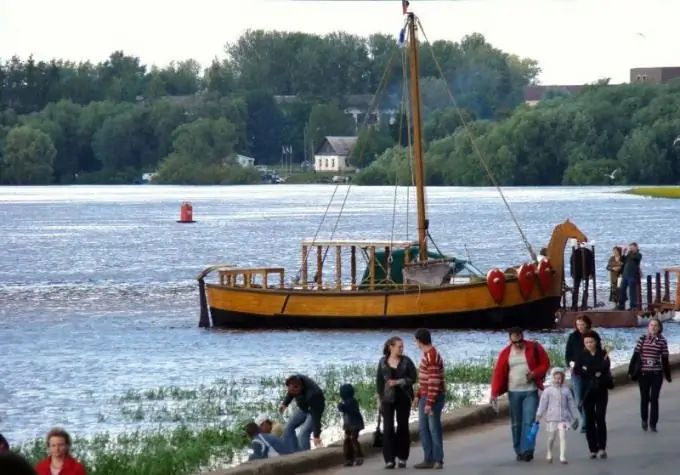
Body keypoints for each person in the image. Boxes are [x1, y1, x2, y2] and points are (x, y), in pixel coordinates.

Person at [490, 327, 550, 462]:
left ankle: (528, 449)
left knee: (529, 421)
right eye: (514, 342)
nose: (517, 344)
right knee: (516, 423)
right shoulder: (506, 353)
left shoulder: (534, 347)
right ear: (510, 340)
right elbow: (498, 373)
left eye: (519, 341)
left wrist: (535, 373)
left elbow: (545, 363)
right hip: (513, 391)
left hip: (530, 390)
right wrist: (494, 393)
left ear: (523, 337)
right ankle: (518, 450)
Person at [375, 336, 418, 469]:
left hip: (403, 397)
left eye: (402, 346)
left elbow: (413, 378)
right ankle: (389, 459)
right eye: (399, 346)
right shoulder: (382, 362)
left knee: (402, 426)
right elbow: (379, 382)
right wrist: (378, 399)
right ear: (391, 347)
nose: (401, 349)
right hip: (387, 399)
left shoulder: (406, 361)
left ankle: (402, 457)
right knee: (387, 428)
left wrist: (399, 382)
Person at [627, 318, 672, 432]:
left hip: (656, 373)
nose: (653, 327)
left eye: (656, 325)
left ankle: (653, 424)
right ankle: (644, 419)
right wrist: (630, 370)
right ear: (648, 327)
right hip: (643, 373)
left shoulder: (662, 341)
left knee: (654, 398)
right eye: (651, 325)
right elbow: (635, 355)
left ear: (659, 328)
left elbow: (665, 359)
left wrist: (667, 375)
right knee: (645, 398)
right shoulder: (642, 339)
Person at [574, 331, 611, 459]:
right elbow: (577, 370)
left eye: (591, 341)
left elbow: (605, 368)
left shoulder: (603, 353)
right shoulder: (581, 355)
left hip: (601, 389)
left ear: (596, 341)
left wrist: (588, 370)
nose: (589, 344)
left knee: (600, 418)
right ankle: (593, 449)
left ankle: (602, 448)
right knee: (589, 420)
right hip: (587, 390)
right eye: (587, 342)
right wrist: (591, 372)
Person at [413, 328, 446, 470]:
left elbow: (434, 381)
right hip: (425, 395)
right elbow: (425, 380)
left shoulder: (432, 356)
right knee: (424, 428)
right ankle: (429, 458)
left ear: (419, 341)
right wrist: (418, 395)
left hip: (433, 396)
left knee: (433, 428)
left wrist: (429, 402)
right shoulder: (427, 355)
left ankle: (437, 459)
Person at [564, 315, 602, 433]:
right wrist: (570, 364)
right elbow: (568, 353)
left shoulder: (593, 336)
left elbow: (599, 352)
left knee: (588, 398)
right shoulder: (572, 337)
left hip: (590, 372)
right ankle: (587, 420)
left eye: (582, 324)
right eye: (578, 324)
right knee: (578, 400)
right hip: (576, 372)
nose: (580, 327)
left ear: (587, 324)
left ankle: (586, 424)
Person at [535, 367, 579, 464]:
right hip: (551, 418)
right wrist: (539, 414)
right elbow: (542, 404)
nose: (558, 380)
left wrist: (574, 416)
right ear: (552, 378)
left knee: (563, 437)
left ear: (563, 379)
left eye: (560, 378)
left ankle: (562, 456)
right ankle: (549, 452)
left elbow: (571, 405)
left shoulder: (566, 390)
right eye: (556, 378)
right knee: (551, 437)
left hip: (563, 418)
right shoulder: (548, 391)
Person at [279, 374, 325, 452]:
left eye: (294, 391)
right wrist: (285, 404)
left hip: (314, 409)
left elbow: (316, 417)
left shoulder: (313, 394)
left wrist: (316, 435)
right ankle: (292, 452)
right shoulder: (295, 381)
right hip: (303, 408)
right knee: (288, 428)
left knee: (303, 433)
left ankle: (304, 456)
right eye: (290, 390)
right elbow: (290, 392)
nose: (293, 394)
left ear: (299, 387)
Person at [337, 383, 365, 467]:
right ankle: (349, 458)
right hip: (348, 425)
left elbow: (346, 408)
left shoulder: (352, 401)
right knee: (346, 440)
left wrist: (340, 406)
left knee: (353, 439)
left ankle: (359, 456)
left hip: (355, 424)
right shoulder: (347, 402)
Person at [618, 242, 642, 310]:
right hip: (625, 275)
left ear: (636, 247)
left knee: (632, 292)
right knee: (622, 290)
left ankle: (633, 306)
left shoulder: (638, 255)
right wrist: (623, 252)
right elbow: (622, 260)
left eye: (632, 247)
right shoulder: (628, 255)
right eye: (630, 247)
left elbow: (634, 257)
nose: (631, 249)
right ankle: (621, 305)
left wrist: (631, 251)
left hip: (632, 275)